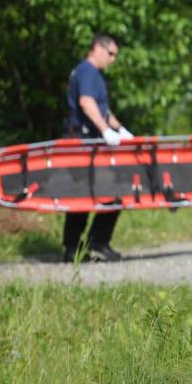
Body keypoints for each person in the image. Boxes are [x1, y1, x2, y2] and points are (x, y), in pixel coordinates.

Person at [63, 34, 134, 263]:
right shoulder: (87, 72)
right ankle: (88, 245)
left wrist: (119, 128)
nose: (113, 60)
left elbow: (102, 109)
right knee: (106, 193)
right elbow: (87, 102)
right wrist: (104, 130)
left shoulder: (93, 74)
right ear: (98, 48)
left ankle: (82, 246)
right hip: (85, 143)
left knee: (91, 196)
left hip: (91, 142)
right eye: (111, 54)